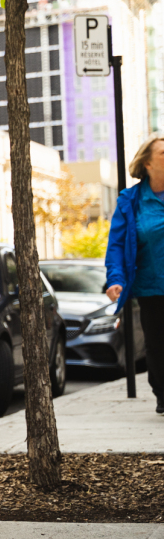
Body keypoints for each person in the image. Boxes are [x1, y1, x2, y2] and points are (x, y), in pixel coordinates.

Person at [106, 134, 164, 412]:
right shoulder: (131, 201)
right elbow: (116, 245)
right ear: (148, 163)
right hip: (152, 288)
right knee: (157, 346)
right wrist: (115, 279)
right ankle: (163, 394)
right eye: (163, 153)